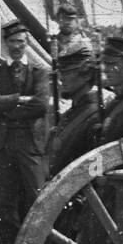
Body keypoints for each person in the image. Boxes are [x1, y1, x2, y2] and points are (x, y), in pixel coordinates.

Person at [0, 21, 51, 244]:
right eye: (12, 42)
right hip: (3, 145)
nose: (16, 47)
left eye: (20, 42)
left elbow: (41, 105)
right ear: (6, 44)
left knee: (38, 200)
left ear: (27, 44)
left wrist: (8, 106)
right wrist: (21, 99)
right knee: (6, 205)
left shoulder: (39, 71)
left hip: (30, 144)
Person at [46, 41, 103, 174]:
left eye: (67, 72)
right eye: (61, 72)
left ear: (87, 75)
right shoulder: (72, 113)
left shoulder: (94, 117)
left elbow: (95, 173)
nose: (61, 79)